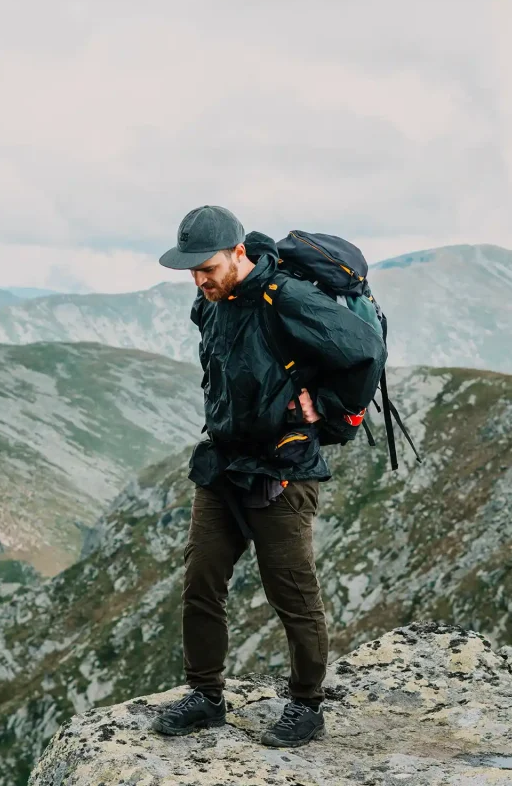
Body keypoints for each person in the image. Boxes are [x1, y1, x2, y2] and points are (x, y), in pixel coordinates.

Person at [151, 205, 386, 747]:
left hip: (283, 469)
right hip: (224, 463)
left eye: (206, 267)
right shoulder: (210, 301)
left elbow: (363, 350)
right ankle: (206, 696)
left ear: (239, 253)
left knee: (292, 593)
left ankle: (306, 705)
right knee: (201, 582)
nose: (198, 280)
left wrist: (326, 410)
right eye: (190, 270)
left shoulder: (286, 297)